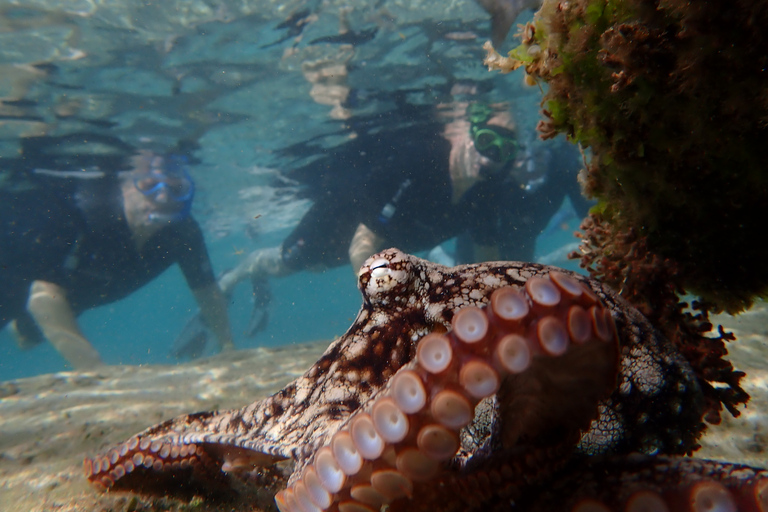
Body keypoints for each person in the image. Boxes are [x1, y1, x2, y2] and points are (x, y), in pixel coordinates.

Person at [174, 101, 591, 351]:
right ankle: (238, 275)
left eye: (501, 152)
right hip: (342, 219)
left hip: (389, 244)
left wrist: (496, 317)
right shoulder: (419, 161)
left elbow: (487, 263)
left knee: (315, 266)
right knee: (291, 263)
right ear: (468, 135)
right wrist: (393, 314)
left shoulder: (485, 194)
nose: (488, 159)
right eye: (485, 143)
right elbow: (362, 243)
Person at [0, 139, 233, 369]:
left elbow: (206, 289)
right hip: (15, 280)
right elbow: (43, 295)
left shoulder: (184, 232)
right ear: (124, 185)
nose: (163, 197)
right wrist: (95, 371)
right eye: (149, 184)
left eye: (177, 189)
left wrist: (227, 346)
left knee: (26, 338)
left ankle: (23, 329)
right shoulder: (87, 213)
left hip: (76, 294)